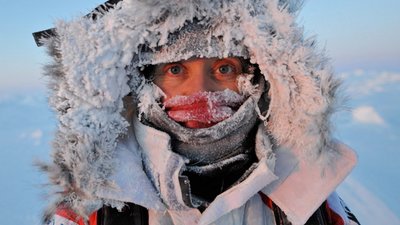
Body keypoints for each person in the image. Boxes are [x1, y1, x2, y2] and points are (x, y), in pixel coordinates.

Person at [33, 0, 361, 224]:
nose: (200, 94)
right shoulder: (93, 206)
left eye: (223, 68)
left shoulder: (306, 193)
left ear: (258, 78)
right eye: (176, 70)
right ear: (143, 83)